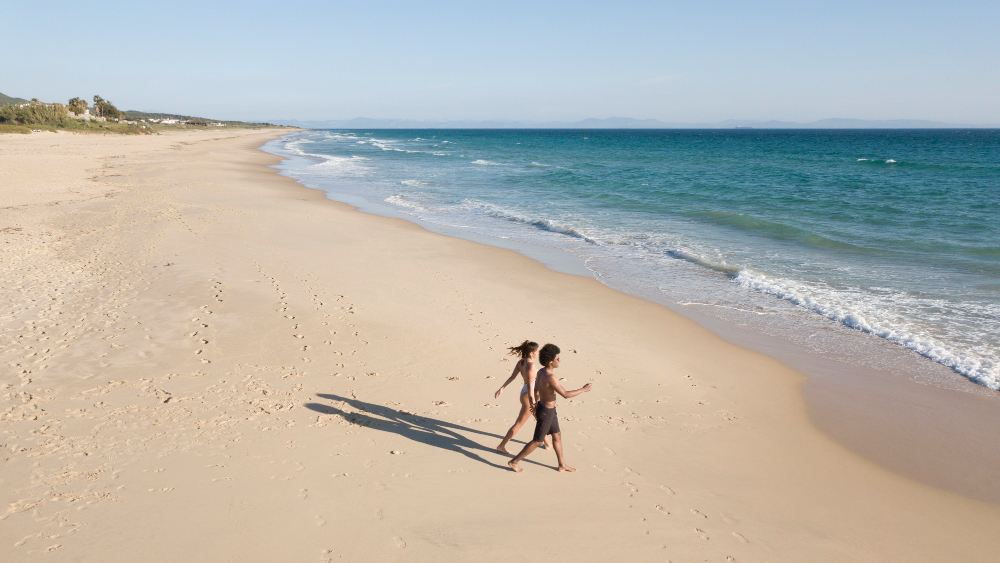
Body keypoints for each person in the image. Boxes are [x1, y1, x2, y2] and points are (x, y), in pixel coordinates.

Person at [508, 343, 592, 473]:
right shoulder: (551, 377)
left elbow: (535, 389)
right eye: (557, 359)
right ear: (550, 361)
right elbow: (565, 394)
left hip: (547, 409)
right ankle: (514, 461)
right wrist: (583, 389)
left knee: (557, 436)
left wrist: (534, 404)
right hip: (546, 412)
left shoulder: (541, 372)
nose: (559, 361)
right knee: (537, 441)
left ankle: (562, 464)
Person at [494, 340, 551, 453]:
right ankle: (501, 446)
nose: (538, 353)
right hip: (530, 396)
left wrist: (502, 388)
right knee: (519, 423)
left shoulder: (521, 363)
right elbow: (530, 386)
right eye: (537, 352)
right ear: (531, 353)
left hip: (524, 393)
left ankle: (548, 443)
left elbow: (512, 377)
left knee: (540, 419)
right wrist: (533, 401)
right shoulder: (531, 366)